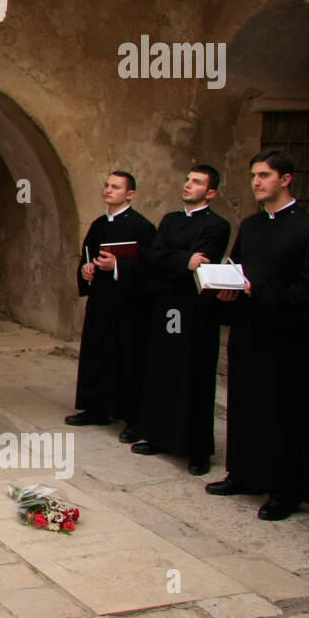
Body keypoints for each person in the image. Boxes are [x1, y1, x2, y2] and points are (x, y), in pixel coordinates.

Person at [208, 150, 309, 520]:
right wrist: (225, 288)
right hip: (250, 332)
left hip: (289, 341)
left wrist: (258, 290)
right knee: (246, 406)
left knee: (286, 415)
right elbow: (237, 267)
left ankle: (287, 490)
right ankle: (245, 474)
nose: (256, 182)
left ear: (285, 179)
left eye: (264, 175)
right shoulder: (250, 226)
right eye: (253, 176)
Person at [130, 165, 231, 475]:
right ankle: (159, 436)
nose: (188, 185)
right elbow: (152, 256)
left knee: (194, 375)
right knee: (163, 370)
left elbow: (203, 263)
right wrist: (184, 260)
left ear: (211, 193)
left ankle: (197, 449)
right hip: (166, 306)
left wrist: (178, 261)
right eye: (188, 179)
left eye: (197, 182)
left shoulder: (217, 225)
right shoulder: (170, 220)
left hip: (197, 311)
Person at [67, 171, 156, 438]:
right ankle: (95, 408)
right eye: (106, 185)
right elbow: (86, 256)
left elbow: (151, 267)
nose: (108, 190)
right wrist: (86, 270)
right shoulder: (98, 225)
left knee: (126, 358)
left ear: (130, 194)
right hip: (101, 300)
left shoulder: (142, 227)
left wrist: (118, 265)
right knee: (96, 353)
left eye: (115, 187)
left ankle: (132, 418)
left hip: (130, 306)